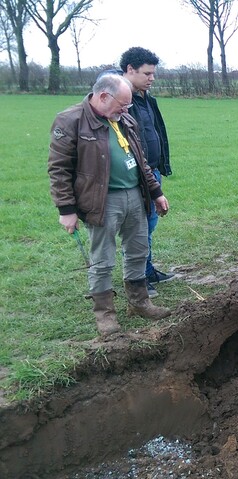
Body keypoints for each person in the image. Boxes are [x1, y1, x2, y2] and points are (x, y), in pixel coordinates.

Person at [48, 73, 171, 336]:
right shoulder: (70, 121)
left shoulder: (124, 119)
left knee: (138, 250)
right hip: (102, 201)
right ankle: (105, 315)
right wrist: (66, 210)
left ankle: (139, 303)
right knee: (102, 260)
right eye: (122, 104)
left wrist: (156, 192)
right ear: (103, 96)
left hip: (135, 196)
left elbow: (141, 160)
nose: (126, 110)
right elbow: (58, 170)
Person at [120, 47, 176, 298]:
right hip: (135, 174)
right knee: (138, 227)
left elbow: (155, 132)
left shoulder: (146, 98)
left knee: (150, 223)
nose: (152, 78)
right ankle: (138, 277)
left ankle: (148, 269)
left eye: (153, 73)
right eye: (147, 73)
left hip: (151, 170)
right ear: (129, 70)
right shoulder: (122, 101)